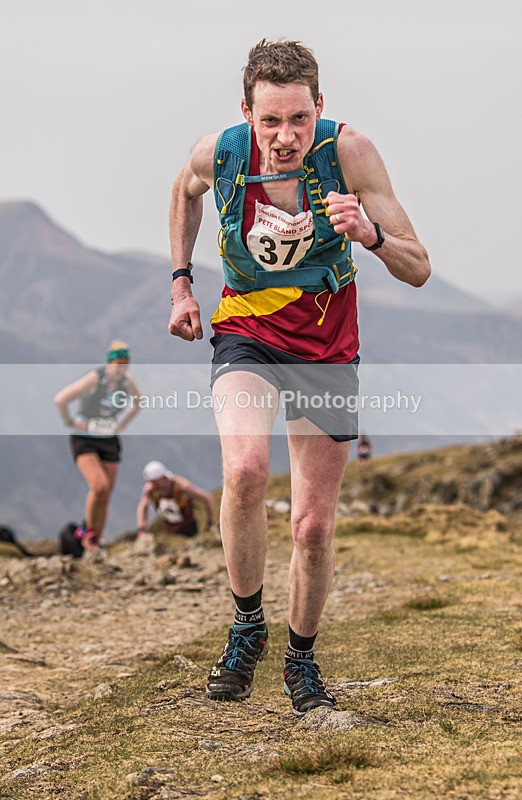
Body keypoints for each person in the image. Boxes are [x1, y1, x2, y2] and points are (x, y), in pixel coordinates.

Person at [168, 40, 430, 715]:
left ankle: (301, 660)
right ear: (246, 114)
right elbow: (182, 189)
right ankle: (246, 625)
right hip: (246, 334)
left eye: (297, 120)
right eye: (269, 121)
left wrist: (368, 234)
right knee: (247, 470)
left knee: (312, 527)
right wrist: (181, 286)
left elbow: (417, 266)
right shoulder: (219, 152)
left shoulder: (350, 155)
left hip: (325, 347)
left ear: (319, 107)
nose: (284, 138)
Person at [54, 341, 141, 553]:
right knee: (99, 485)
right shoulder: (95, 378)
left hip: (109, 438)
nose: (121, 368)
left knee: (106, 492)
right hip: (85, 438)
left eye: (125, 364)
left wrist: (121, 425)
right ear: (109, 362)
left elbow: (139, 402)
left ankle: (94, 541)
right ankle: (89, 535)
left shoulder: (127, 382)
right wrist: (71, 422)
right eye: (118, 363)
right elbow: (61, 399)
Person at [136, 460, 215, 537]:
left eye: (154, 481)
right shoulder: (150, 489)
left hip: (189, 528)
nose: (152, 484)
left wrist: (210, 522)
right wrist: (142, 529)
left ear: (162, 477)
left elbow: (206, 498)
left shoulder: (181, 486)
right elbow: (143, 507)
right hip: (170, 531)